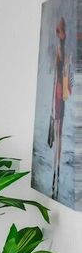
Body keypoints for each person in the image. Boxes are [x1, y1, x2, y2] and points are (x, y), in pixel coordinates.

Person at [49, 17, 73, 199]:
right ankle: (55, 169)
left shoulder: (66, 54)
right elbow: (57, 78)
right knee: (58, 133)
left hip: (61, 96)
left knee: (60, 133)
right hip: (59, 96)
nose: (61, 35)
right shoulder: (60, 51)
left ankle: (57, 169)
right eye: (60, 32)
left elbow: (65, 78)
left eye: (61, 31)